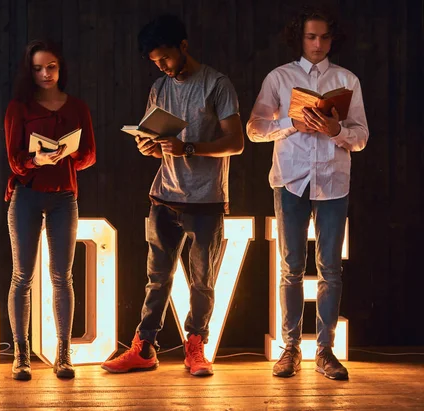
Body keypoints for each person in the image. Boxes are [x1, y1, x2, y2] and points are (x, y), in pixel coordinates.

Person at [101, 14, 244, 377]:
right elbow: (158, 138)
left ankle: (195, 347)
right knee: (157, 277)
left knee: (201, 281)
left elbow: (237, 143)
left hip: (206, 199)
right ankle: (145, 347)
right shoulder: (160, 88)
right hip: (163, 195)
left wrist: (189, 149)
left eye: (164, 58)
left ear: (183, 47)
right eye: (154, 62)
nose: (162, 67)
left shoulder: (217, 84)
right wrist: (151, 147)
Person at [247, 6, 368, 380]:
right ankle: (290, 349)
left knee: (331, 269)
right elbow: (254, 129)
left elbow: (361, 137)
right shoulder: (280, 78)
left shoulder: (347, 80)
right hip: (291, 180)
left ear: (333, 38)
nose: (317, 44)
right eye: (311, 37)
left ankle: (326, 351)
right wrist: (291, 123)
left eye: (324, 37)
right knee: (291, 268)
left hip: (333, 183)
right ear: (299, 37)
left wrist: (336, 131)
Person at [4, 40, 96, 380]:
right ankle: (21, 355)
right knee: (22, 277)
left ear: (61, 68)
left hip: (64, 198)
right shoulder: (19, 107)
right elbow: (14, 161)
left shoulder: (77, 107)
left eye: (51, 67)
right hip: (27, 194)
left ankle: (63, 354)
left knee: (62, 277)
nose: (45, 73)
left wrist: (69, 154)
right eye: (39, 68)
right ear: (30, 71)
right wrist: (36, 159)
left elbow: (89, 156)